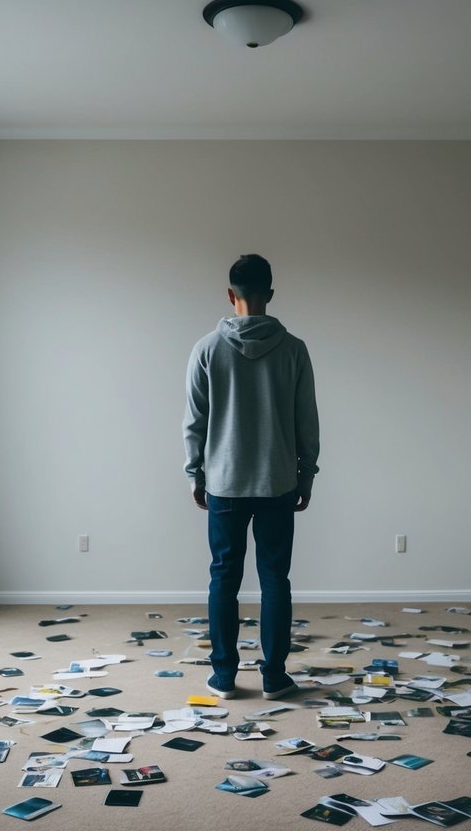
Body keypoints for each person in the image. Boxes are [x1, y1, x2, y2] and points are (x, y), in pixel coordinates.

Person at [183, 254, 320, 701]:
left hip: (225, 482)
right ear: (271, 295)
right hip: (277, 481)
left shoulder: (206, 349)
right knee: (275, 578)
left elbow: (194, 422)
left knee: (223, 577)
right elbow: (307, 422)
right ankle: (275, 676)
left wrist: (195, 473)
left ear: (230, 294)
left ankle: (224, 676)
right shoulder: (294, 349)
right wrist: (306, 475)